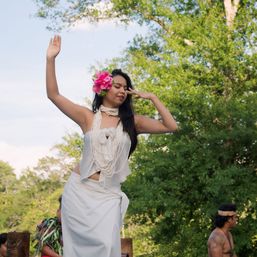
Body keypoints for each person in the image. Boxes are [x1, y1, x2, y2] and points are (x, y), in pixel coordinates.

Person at [46, 35, 178, 257]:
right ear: (104, 88)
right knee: (77, 252)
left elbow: (171, 126)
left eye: (125, 88)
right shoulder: (87, 117)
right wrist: (51, 59)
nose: (121, 90)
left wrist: (153, 97)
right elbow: (54, 95)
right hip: (80, 191)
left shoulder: (133, 122)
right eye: (116, 85)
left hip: (108, 194)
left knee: (108, 247)